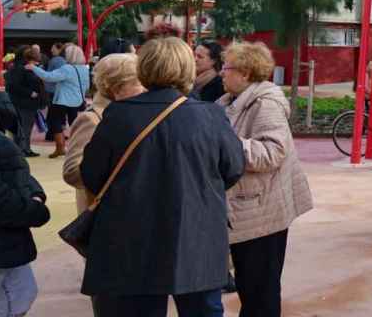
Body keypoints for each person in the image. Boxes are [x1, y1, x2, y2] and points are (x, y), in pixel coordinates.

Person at [80, 37, 245, 316]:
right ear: (187, 69)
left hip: (130, 237)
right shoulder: (211, 115)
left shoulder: (118, 114)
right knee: (202, 310)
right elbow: (232, 169)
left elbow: (92, 175)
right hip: (197, 232)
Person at [218, 41, 313, 317]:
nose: (222, 73)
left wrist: (226, 144)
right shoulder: (229, 102)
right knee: (251, 288)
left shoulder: (266, 104)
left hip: (263, 212)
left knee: (260, 293)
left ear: (245, 73)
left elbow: (272, 153)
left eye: (227, 68)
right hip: (247, 209)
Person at [63, 53, 144, 214]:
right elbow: (72, 172)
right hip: (103, 212)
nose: (144, 89)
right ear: (116, 86)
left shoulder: (130, 112)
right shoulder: (92, 119)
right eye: (138, 83)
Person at [0, 130, 50, 317]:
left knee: (22, 295)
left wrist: (35, 194)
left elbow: (18, 170)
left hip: (9, 241)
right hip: (6, 235)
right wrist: (35, 210)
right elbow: (2, 204)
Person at [28, 43, 89, 159]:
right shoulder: (84, 69)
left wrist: (33, 68)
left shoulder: (67, 69)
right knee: (74, 124)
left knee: (54, 122)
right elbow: (86, 86)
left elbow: (48, 77)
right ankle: (78, 148)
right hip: (77, 100)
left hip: (62, 100)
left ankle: (60, 148)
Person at [5, 47, 45, 158]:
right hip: (25, 102)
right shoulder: (21, 68)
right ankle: (22, 149)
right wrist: (30, 93)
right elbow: (14, 86)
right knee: (24, 127)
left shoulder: (20, 67)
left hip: (26, 102)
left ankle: (24, 148)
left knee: (25, 127)